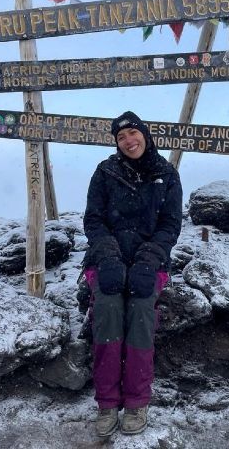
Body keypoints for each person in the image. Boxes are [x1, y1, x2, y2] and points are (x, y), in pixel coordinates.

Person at [82, 111, 183, 436]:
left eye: (133, 133)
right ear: (116, 143)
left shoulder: (166, 174)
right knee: (108, 312)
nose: (129, 140)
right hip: (106, 260)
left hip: (149, 264)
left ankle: (137, 402)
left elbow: (170, 225)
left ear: (145, 135)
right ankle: (107, 403)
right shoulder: (105, 171)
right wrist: (109, 256)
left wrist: (148, 260)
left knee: (141, 314)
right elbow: (93, 220)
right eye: (121, 137)